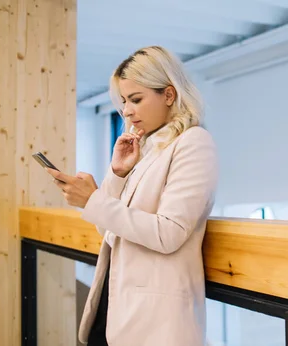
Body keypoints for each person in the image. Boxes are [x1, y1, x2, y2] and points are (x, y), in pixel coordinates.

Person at [47, 46, 219, 346]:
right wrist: (118, 172)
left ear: (169, 94)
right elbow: (108, 229)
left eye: (136, 100)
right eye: (124, 101)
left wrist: (93, 200)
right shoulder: (150, 146)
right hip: (116, 305)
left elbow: (169, 233)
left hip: (155, 320)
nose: (126, 111)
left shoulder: (194, 142)